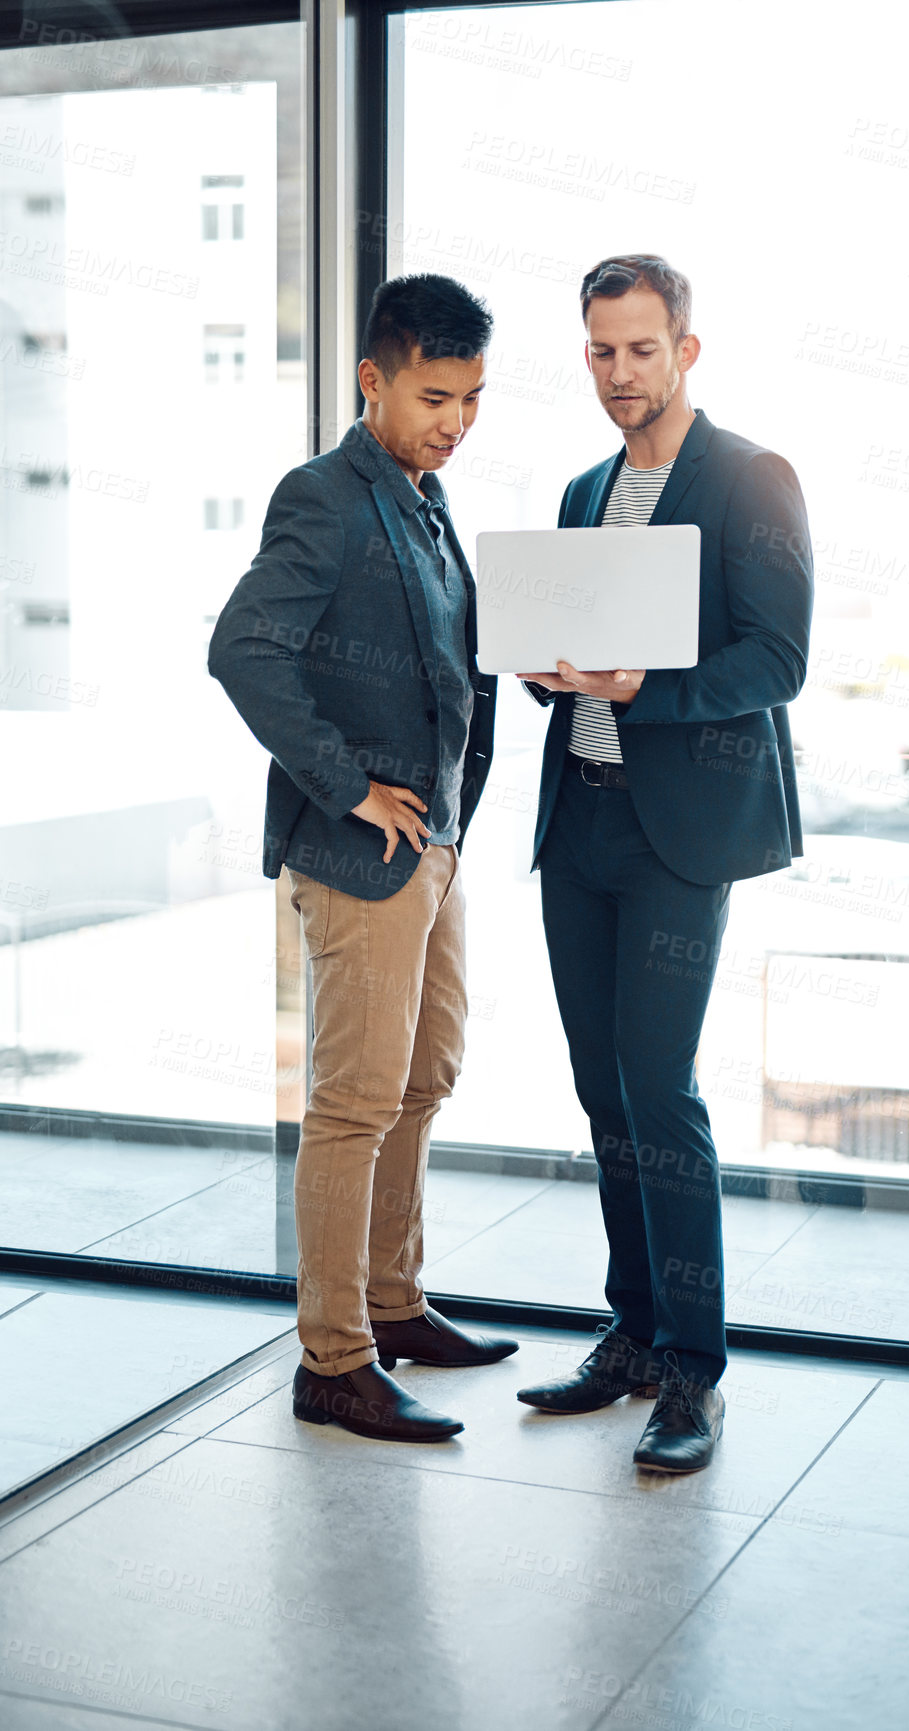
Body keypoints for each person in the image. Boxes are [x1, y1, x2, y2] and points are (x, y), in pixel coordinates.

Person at [515, 255, 813, 1473]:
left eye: (641, 349)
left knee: (659, 1093)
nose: (619, 372)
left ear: (687, 349)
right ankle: (631, 1335)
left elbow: (776, 661)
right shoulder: (586, 489)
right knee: (602, 1094)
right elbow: (583, 647)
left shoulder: (751, 478)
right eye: (600, 350)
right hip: (579, 817)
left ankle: (692, 1370)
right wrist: (549, 665)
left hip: (676, 831)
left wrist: (650, 689)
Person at [208, 273, 516, 1446]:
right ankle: (333, 1361)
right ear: (371, 380)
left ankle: (393, 1305)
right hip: (359, 852)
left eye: (475, 397)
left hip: (434, 848)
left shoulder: (424, 502)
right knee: (353, 1106)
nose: (457, 419)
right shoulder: (326, 497)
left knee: (426, 1078)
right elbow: (244, 651)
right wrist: (345, 784)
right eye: (437, 396)